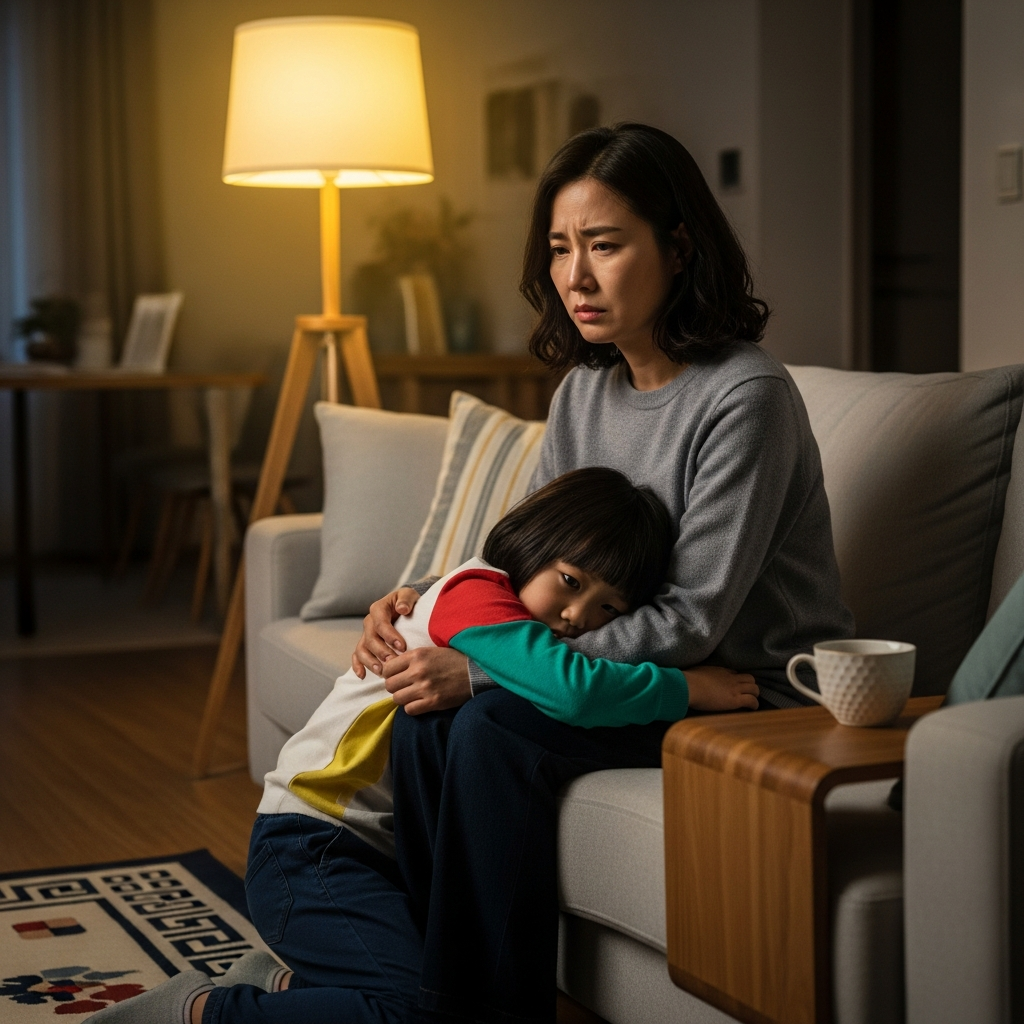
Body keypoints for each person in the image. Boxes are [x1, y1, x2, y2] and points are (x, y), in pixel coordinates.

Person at [355, 123, 855, 1023]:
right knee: (430, 719)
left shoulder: (746, 398)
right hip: (617, 675)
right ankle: (434, 990)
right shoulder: (584, 391)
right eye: (559, 248)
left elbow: (693, 621)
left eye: (605, 245)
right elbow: (520, 560)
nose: (575, 276)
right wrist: (419, 598)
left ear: (678, 246)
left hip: (743, 694)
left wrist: (483, 665)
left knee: (490, 722)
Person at [90, 467, 757, 1024]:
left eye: (608, 609)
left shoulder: (480, 602)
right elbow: (574, 689)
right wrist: (688, 688)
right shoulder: (475, 599)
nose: (578, 617)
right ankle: (204, 1010)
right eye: (571, 582)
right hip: (310, 852)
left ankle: (286, 986)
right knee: (416, 1013)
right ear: (530, 543)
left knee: (433, 1000)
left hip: (364, 859)